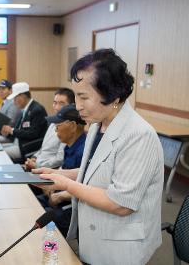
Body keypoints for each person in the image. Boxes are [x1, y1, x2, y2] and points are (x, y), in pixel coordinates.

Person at [35, 49, 164, 265]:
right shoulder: (98, 124)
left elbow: (121, 203)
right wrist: (58, 173)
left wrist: (66, 183)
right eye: (76, 95)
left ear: (112, 95)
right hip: (94, 236)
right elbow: (95, 171)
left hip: (120, 246)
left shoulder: (139, 135)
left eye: (84, 97)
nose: (77, 106)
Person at [37, 104, 86, 237]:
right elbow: (63, 169)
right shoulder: (68, 146)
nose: (55, 130)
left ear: (72, 125)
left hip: (74, 205)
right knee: (33, 204)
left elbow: (86, 186)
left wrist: (59, 196)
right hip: (60, 196)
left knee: (41, 216)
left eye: (58, 126)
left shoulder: (84, 150)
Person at [24, 88, 75, 171]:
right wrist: (34, 158)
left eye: (61, 104)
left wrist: (37, 165)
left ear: (72, 105)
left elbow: (59, 159)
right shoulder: (52, 123)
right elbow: (43, 148)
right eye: (55, 103)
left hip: (47, 170)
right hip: (37, 164)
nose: (57, 107)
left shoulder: (69, 128)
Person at [0, 82, 48, 162]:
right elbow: (18, 130)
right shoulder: (25, 109)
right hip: (17, 143)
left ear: (23, 96)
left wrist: (11, 130)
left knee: (1, 154)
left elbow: (32, 133)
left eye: (15, 99)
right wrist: (8, 133)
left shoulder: (37, 110)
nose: (14, 102)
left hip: (27, 147)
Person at [0, 79, 22, 143]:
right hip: (1, 133)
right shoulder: (5, 102)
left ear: (10, 90)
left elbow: (10, 122)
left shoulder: (13, 103)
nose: (0, 91)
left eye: (3, 89)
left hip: (9, 136)